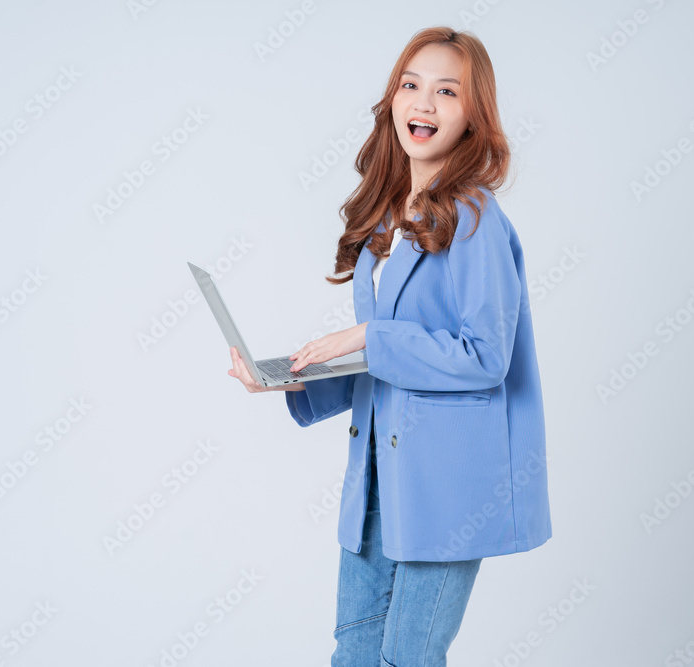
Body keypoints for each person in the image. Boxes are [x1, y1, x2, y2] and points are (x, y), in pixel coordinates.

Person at [227, 25, 551, 667]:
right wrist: (292, 377)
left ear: (473, 117)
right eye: (411, 85)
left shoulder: (475, 218)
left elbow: (485, 357)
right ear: (392, 100)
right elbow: (387, 365)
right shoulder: (385, 220)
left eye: (446, 92)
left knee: (408, 657)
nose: (423, 104)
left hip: (447, 488)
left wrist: (372, 337)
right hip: (378, 479)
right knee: (354, 655)